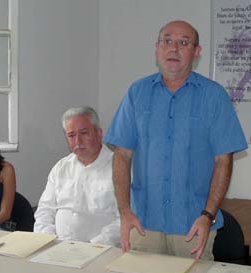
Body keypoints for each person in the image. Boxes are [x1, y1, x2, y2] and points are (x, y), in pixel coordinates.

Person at [104, 20, 248, 260]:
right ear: (157, 48)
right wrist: (125, 211)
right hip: (143, 225)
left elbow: (223, 161)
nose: (174, 48)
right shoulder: (137, 93)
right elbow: (122, 155)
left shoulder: (214, 96)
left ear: (196, 52)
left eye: (184, 43)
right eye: (167, 41)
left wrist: (208, 215)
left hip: (193, 227)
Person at [34, 106, 120, 246]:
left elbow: (123, 219)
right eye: (71, 135)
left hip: (101, 250)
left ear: (99, 133)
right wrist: (49, 240)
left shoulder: (119, 168)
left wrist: (94, 245)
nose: (78, 141)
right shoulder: (61, 167)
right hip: (57, 248)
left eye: (84, 133)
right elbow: (45, 210)